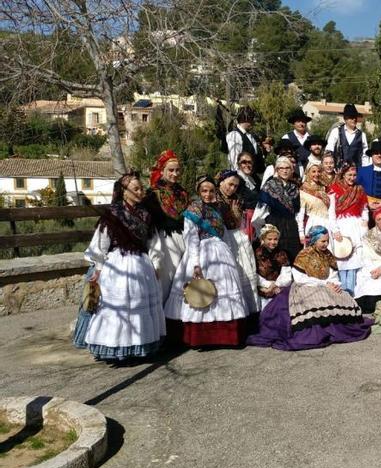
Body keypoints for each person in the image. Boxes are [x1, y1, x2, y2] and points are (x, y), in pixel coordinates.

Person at [74, 172, 165, 361]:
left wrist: (156, 264)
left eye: (141, 188)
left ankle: (139, 346)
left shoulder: (146, 215)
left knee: (139, 307)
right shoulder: (113, 215)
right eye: (136, 189)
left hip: (142, 266)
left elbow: (154, 242)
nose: (141, 192)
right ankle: (115, 348)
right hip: (118, 265)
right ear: (124, 192)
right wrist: (98, 268)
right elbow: (100, 243)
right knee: (118, 307)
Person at [247, 225, 372, 351]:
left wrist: (333, 284)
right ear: (314, 240)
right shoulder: (304, 255)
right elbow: (300, 278)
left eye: (327, 241)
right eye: (322, 241)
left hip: (326, 286)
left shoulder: (328, 254)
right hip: (307, 287)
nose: (325, 244)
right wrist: (323, 284)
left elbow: (334, 274)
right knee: (316, 305)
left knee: (343, 300)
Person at [164, 176, 250, 347]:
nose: (208, 194)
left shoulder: (218, 208)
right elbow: (191, 238)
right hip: (201, 252)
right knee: (200, 291)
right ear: (198, 191)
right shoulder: (193, 210)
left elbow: (224, 233)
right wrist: (196, 263)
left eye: (211, 191)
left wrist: (229, 254)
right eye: (204, 190)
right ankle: (200, 337)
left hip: (220, 252)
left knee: (223, 290)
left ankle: (225, 336)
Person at [142, 149, 188, 301]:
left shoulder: (182, 193)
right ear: (162, 171)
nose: (175, 174)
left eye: (177, 170)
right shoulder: (152, 194)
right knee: (166, 282)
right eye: (171, 170)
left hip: (184, 241)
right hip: (163, 243)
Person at [216, 170, 260, 317]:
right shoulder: (214, 198)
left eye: (235, 186)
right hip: (222, 237)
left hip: (238, 236)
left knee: (246, 272)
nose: (232, 188)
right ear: (221, 182)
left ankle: (249, 312)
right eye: (230, 184)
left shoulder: (238, 199)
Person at [328, 162, 369, 294]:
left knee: (355, 260)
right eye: (349, 175)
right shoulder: (334, 189)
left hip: (356, 226)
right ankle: (340, 292)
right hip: (341, 226)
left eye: (354, 175)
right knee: (341, 258)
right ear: (343, 175)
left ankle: (352, 292)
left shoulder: (359, 189)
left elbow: (364, 208)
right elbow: (331, 212)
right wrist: (335, 230)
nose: (352, 177)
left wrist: (365, 221)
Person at [257, 156, 302, 260]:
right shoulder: (269, 186)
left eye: (287, 168)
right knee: (276, 255)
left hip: (291, 225)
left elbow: (297, 210)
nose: (285, 171)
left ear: (291, 170)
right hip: (274, 223)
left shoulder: (294, 187)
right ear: (277, 170)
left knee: (292, 254)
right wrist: (263, 230)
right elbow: (261, 210)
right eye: (281, 168)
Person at [254, 224, 291, 310]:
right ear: (263, 239)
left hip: (278, 290)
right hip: (263, 291)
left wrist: (276, 285)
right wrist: (268, 285)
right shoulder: (257, 253)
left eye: (275, 239)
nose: (273, 242)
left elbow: (287, 274)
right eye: (269, 239)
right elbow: (253, 273)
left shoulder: (281, 254)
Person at [226, 106, 265, 175]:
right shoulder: (234, 135)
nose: (253, 122)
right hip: (241, 177)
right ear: (244, 119)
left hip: (253, 175)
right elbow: (234, 160)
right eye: (251, 119)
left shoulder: (251, 136)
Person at [298, 162, 332, 240]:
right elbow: (301, 214)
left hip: (327, 223)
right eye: (313, 171)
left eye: (319, 171)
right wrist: (301, 233)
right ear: (308, 172)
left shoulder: (324, 188)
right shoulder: (304, 190)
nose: (317, 174)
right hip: (313, 223)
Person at [235, 151, 261, 241]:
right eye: (243, 162)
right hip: (244, 220)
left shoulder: (255, 179)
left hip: (256, 217)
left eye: (249, 162)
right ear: (238, 164)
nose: (247, 165)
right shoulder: (236, 179)